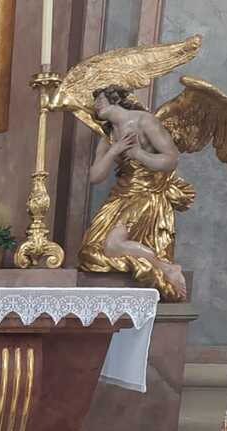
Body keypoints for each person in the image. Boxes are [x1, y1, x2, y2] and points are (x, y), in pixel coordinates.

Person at [78, 84, 190, 301]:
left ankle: (166, 268)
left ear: (115, 99)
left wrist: (139, 154)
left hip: (145, 194)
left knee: (112, 246)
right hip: (120, 196)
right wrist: (114, 151)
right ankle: (161, 267)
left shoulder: (144, 121)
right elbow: (95, 176)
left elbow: (171, 159)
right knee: (89, 252)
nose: (96, 105)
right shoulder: (108, 136)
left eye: (100, 99)